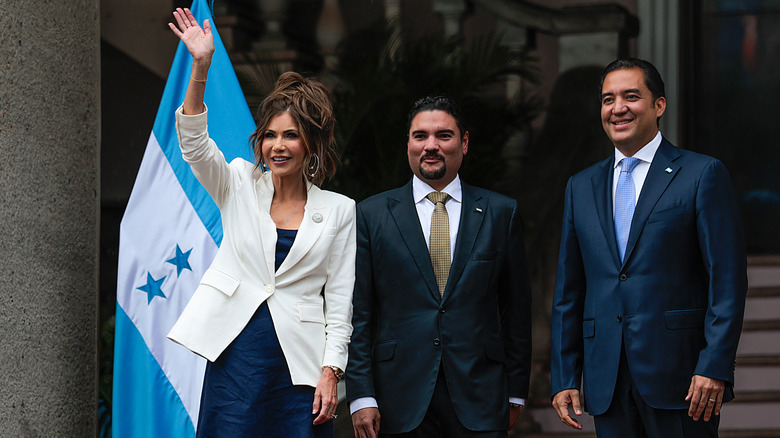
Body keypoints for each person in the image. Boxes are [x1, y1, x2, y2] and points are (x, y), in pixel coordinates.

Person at [165, 8, 355, 437]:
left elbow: (340, 305)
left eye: (290, 135)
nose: (278, 145)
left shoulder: (341, 210)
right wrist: (201, 66)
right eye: (270, 135)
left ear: (311, 143)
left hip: (300, 363)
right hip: (236, 352)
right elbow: (194, 145)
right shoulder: (237, 180)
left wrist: (332, 372)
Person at [550, 58, 747, 437]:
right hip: (606, 377)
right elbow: (568, 293)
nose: (618, 107)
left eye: (631, 96)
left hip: (683, 379)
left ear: (659, 105)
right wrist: (564, 375)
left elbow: (727, 281)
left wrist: (715, 365)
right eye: (608, 99)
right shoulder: (581, 186)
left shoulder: (702, 174)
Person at [346, 95, 532, 437]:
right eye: (420, 136)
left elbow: (517, 311)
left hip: (481, 393)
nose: (431, 145)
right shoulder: (370, 215)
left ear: (463, 143)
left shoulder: (501, 213)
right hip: (397, 397)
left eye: (443, 135)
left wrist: (517, 388)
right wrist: (361, 395)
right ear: (408, 144)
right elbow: (359, 314)